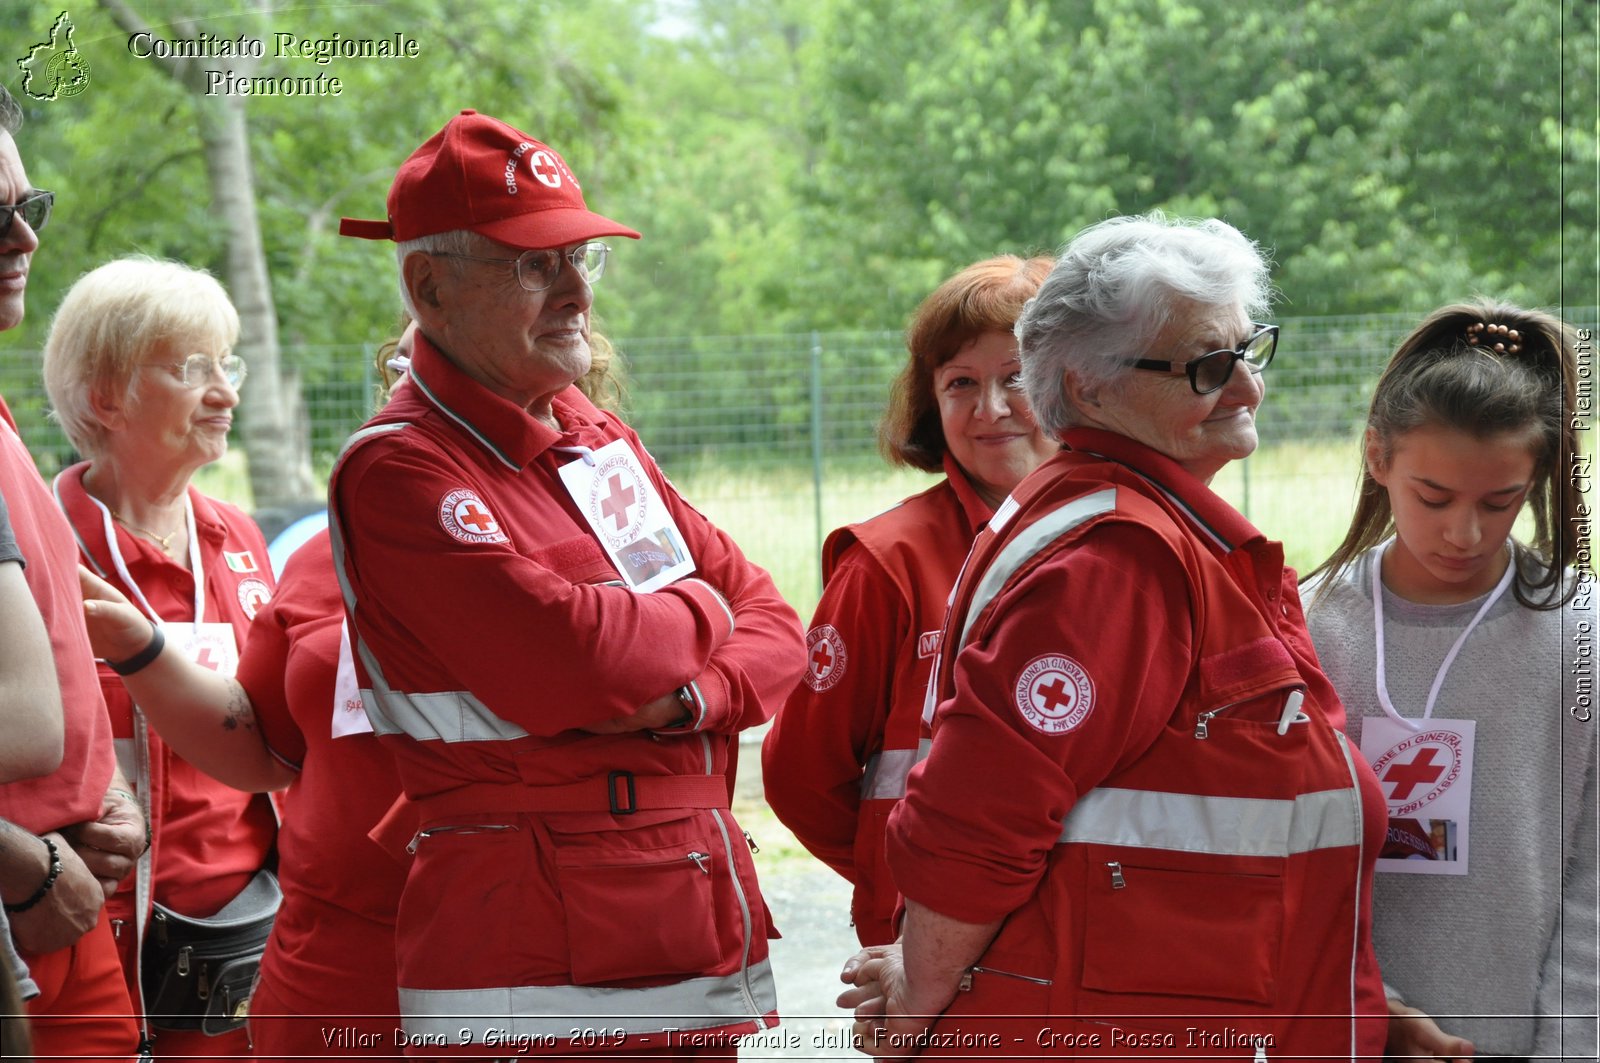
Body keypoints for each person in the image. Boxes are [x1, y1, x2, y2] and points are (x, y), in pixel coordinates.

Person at [838, 212, 1389, 1058]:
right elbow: (975, 820)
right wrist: (916, 987)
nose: (1245, 388)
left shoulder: (1136, 526)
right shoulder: (1116, 558)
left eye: (1250, 350)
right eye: (1207, 366)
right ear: (1087, 388)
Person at [329, 109, 805, 1056]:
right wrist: (701, 607)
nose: (576, 290)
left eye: (581, 258)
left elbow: (778, 625)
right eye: (533, 264)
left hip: (675, 933)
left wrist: (686, 693)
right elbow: (572, 660)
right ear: (428, 285)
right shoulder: (403, 468)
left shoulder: (592, 432)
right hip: (530, 966)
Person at [78, 315, 633, 1060]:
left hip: (531, 961)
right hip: (334, 971)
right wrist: (140, 648)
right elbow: (261, 742)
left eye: (449, 365)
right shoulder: (325, 549)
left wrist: (682, 697)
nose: (420, 387)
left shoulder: (612, 532)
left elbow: (729, 643)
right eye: (407, 368)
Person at [1302, 301, 1598, 1060]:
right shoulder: (1302, 624)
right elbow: (1286, 867)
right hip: (1341, 1031)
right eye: (1433, 497)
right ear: (1377, 456)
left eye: (1500, 502)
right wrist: (1374, 1015)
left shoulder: (1582, 628)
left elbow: (1594, 879)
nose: (1464, 533)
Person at [763, 255, 1056, 946]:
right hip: (924, 949)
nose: (990, 408)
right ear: (930, 402)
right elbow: (802, 777)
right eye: (961, 383)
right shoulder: (885, 563)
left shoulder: (1130, 541)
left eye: (1017, 377)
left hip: (1086, 944)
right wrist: (897, 876)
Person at [41, 256, 278, 1057]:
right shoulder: (40, 543)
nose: (227, 392)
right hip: (88, 933)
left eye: (229, 363)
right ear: (106, 397)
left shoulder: (242, 541)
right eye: (193, 368)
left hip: (243, 938)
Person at [0, 82, 143, 1060]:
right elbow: (24, 719)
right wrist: (15, 860)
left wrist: (106, 793)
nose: (25, 239)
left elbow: (56, 685)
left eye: (25, 205)